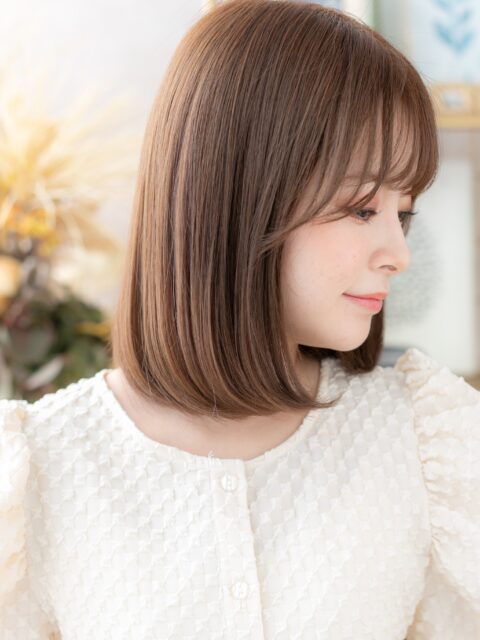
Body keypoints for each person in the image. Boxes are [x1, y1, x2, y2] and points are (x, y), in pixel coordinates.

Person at [1, 1, 478, 638]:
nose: (399, 253)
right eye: (364, 209)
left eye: (405, 213)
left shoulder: (424, 443)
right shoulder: (43, 468)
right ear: (234, 195)